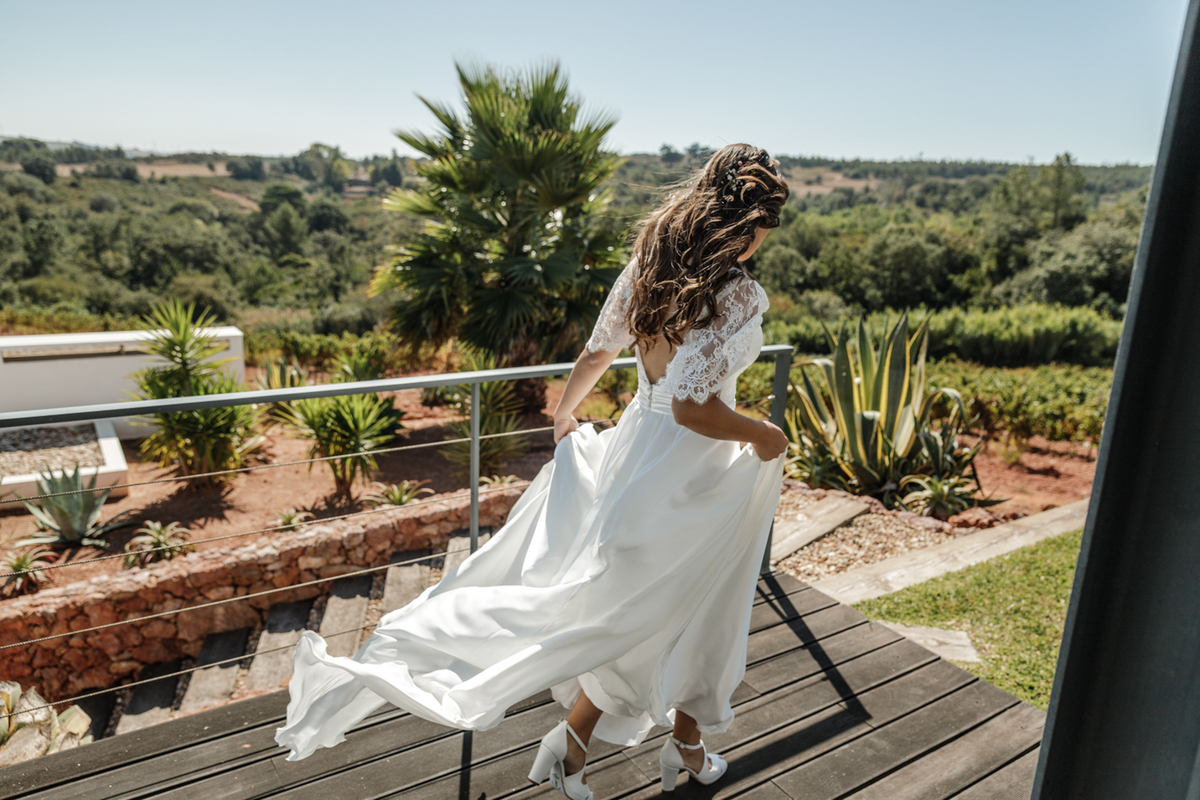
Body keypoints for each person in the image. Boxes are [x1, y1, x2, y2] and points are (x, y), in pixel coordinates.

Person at [274, 143, 792, 798]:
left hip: (639, 452)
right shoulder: (739, 296)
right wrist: (765, 434)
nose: (759, 245)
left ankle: (667, 745)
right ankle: (589, 746)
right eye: (761, 231)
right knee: (667, 613)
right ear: (747, 225)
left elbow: (598, 351)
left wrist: (564, 415)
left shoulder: (650, 267)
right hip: (689, 472)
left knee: (679, 609)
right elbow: (694, 409)